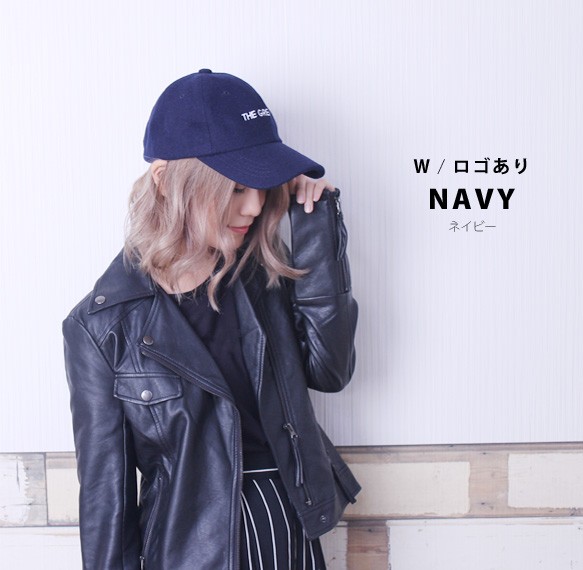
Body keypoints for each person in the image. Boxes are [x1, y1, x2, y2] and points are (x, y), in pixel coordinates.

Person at [63, 68, 360, 570]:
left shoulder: (262, 277)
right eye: (237, 188)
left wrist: (315, 225)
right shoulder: (100, 329)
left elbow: (330, 371)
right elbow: (105, 497)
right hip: (188, 547)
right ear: (166, 181)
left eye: (262, 185)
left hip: (286, 522)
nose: (255, 206)